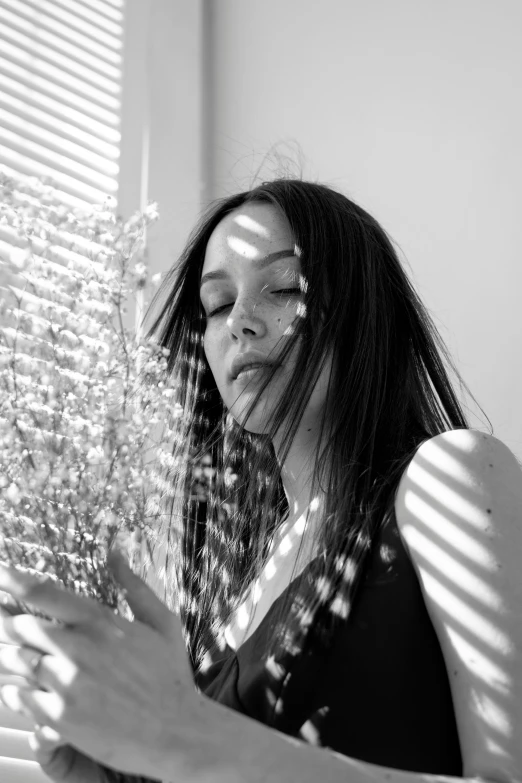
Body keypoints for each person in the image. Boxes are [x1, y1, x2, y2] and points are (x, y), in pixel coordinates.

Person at [0, 178, 520, 783]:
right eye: (217, 305)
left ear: (364, 313)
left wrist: (185, 735)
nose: (240, 323)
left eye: (283, 288)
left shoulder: (448, 480)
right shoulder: (237, 598)